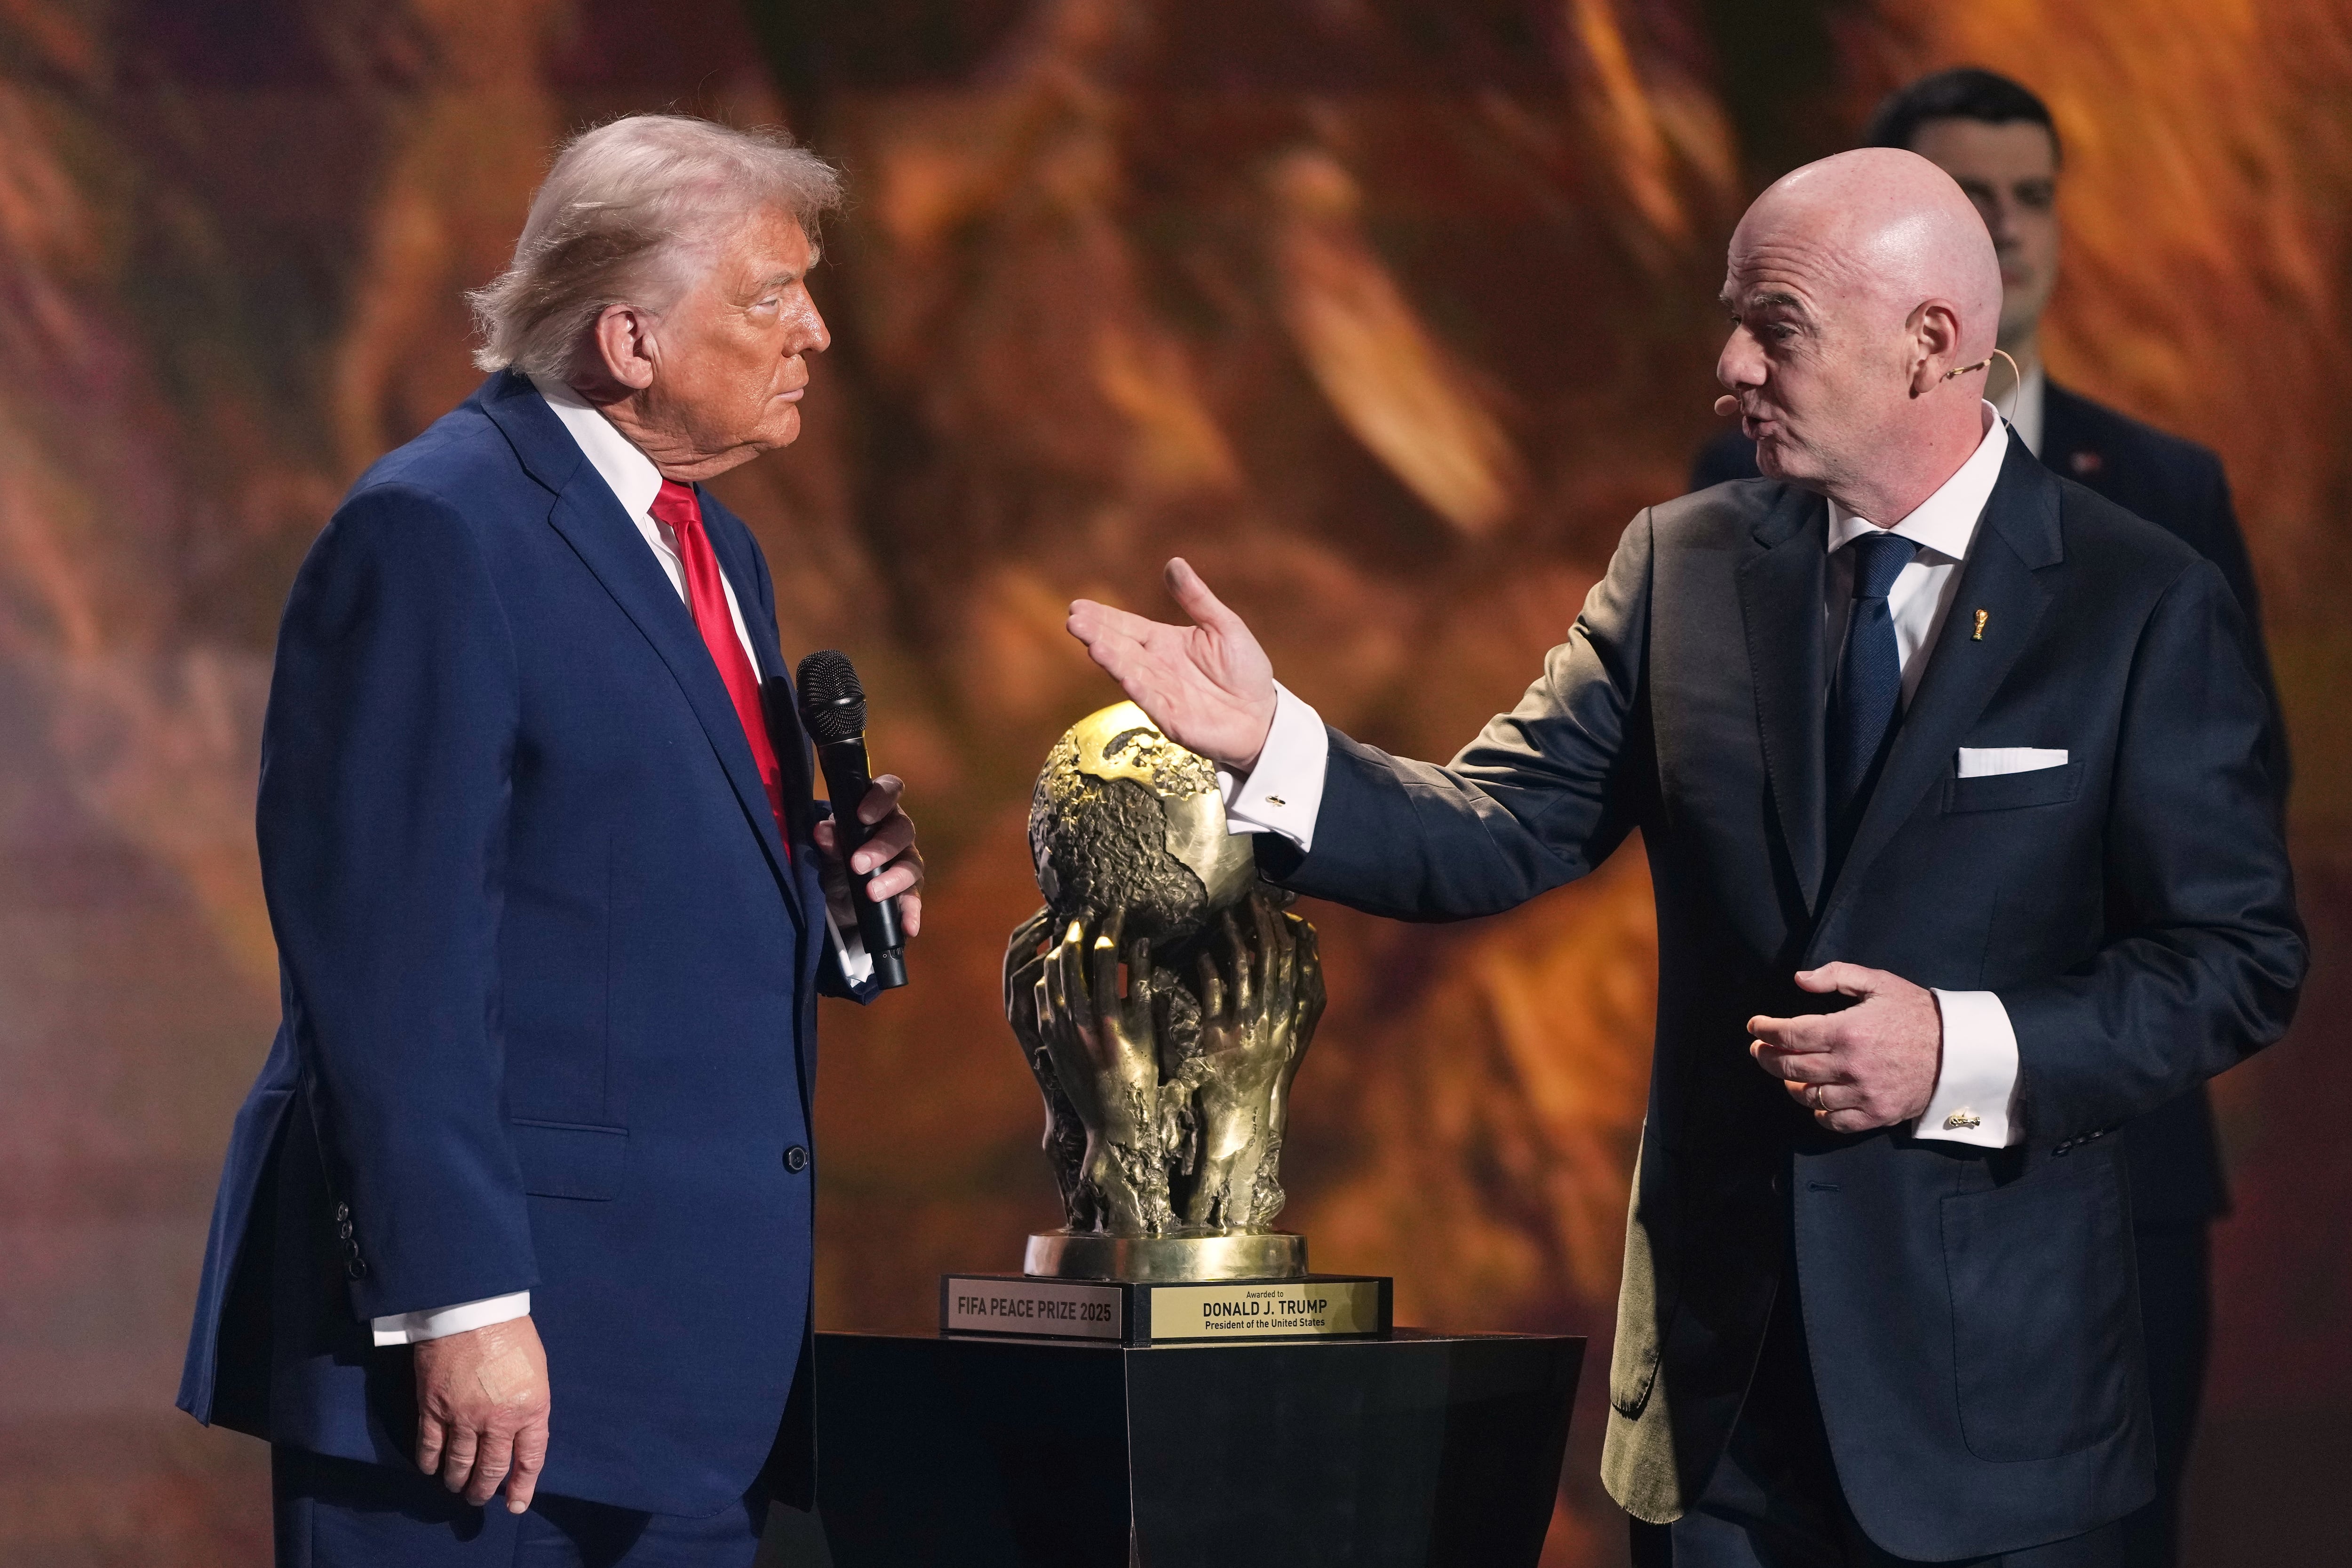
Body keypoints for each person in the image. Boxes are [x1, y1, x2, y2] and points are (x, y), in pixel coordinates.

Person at [1068, 148, 2303, 1566]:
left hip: (1994, 1419)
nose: (1729, 367)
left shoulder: (2139, 599)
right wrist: (1273, 744)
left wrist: (1957, 1052)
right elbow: (1498, 830)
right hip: (1718, 1422)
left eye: (1777, 328)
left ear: (1932, 344)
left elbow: (2236, 962)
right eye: (1733, 321)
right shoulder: (1684, 564)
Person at [176, 115, 923, 1566]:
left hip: (685, 1381)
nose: (816, 333)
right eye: (772, 296)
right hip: (487, 1378)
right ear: (630, 339)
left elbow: (616, 896)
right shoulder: (437, 531)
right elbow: (384, 957)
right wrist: (458, 1305)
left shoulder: (715, 546)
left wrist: (830, 899)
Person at [1693, 72, 2281, 1564]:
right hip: (1763, 1285)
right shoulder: (1727, 516)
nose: (2006, 225)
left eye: (2029, 197)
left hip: (2070, 1202)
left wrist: (1966, 1051)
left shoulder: (2151, 524)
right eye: (1970, 194)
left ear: (1934, 325)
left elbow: (2225, 893)